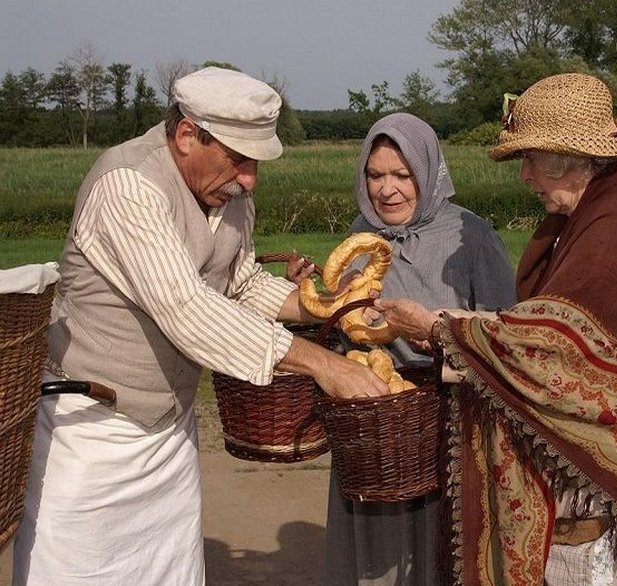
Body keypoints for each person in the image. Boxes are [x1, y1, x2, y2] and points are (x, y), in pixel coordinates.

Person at [12, 66, 387, 585]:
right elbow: (186, 308)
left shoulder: (229, 194)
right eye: (238, 159)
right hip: (91, 434)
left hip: (170, 435)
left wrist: (330, 305)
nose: (249, 179)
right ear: (188, 135)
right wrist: (323, 364)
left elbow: (240, 283)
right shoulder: (128, 185)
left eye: (256, 163)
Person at [375, 74, 617, 585]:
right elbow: (553, 329)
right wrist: (453, 327)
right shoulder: (607, 208)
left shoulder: (616, 229)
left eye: (530, 159)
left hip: (610, 494)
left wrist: (439, 329)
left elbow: (555, 348)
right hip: (606, 473)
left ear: (569, 158)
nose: (525, 176)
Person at [319, 113, 517, 585]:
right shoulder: (360, 235)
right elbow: (346, 326)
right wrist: (325, 302)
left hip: (445, 427)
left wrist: (431, 330)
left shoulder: (471, 237)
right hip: (375, 427)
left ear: (427, 173)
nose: (386, 190)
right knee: (375, 557)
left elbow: (505, 339)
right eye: (375, 175)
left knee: (440, 552)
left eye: (402, 175)